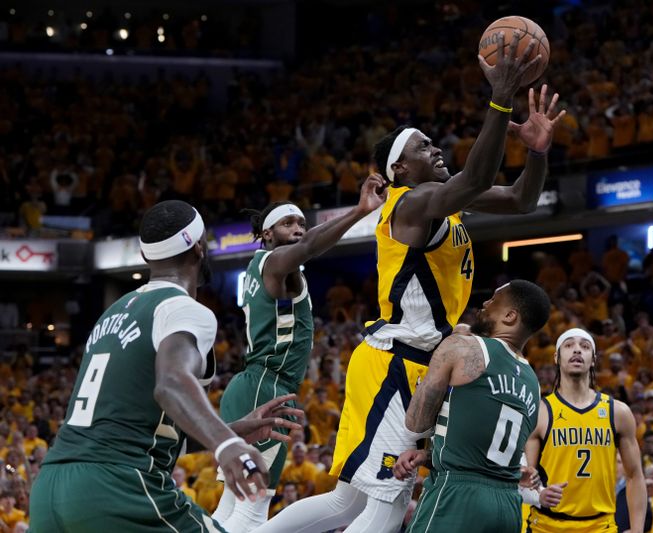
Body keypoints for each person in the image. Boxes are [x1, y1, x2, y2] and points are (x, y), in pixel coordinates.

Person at [255, 31, 565, 533]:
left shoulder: (443, 199)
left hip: (412, 361)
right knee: (388, 504)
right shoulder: (411, 203)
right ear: (398, 168)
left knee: (347, 504)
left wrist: (536, 153)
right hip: (394, 362)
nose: (436, 147)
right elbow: (476, 179)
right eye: (423, 145)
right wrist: (500, 101)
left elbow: (520, 201)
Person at [29, 200, 303, 531]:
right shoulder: (184, 310)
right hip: (118, 487)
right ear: (200, 248)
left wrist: (235, 429)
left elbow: (141, 429)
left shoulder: (113, 311)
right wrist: (228, 446)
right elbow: (170, 383)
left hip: (50, 489)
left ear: (146, 257)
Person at [213, 175, 386, 532]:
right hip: (266, 387)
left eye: (301, 223)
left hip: (252, 385)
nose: (297, 228)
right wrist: (359, 211)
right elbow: (308, 246)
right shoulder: (275, 263)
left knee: (231, 506)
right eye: (287, 222)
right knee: (252, 509)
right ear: (266, 233)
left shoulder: (270, 267)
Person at [392, 280, 550, 532]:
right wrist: (427, 456)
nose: (484, 304)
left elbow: (416, 424)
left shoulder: (463, 346)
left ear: (510, 316)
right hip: (508, 507)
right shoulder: (533, 382)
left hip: (457, 499)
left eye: (493, 301)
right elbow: (483, 450)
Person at [526, 328, 646, 532]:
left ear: (593, 359)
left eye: (584, 346)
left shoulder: (618, 412)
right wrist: (539, 493)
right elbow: (526, 477)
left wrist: (637, 530)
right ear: (556, 357)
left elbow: (634, 475)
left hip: (601, 525)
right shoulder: (539, 412)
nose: (577, 350)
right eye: (569, 345)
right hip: (546, 526)